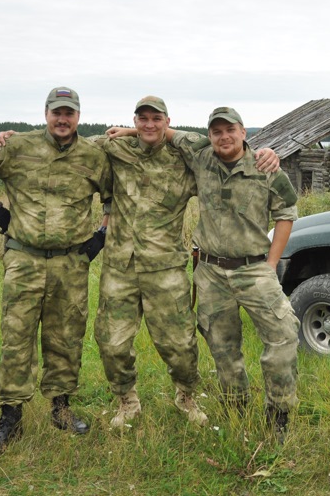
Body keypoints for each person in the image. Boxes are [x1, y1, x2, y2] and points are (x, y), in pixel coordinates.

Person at [0, 97, 279, 430]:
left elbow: (217, 144)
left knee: (180, 344)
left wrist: (263, 151)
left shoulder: (183, 159)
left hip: (166, 268)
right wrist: (12, 139)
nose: (149, 125)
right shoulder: (115, 149)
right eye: (141, 119)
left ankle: (186, 396)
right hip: (120, 268)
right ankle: (126, 400)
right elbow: (66, 141)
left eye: (156, 119)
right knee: (112, 342)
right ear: (134, 120)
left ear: (167, 122)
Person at [109, 106, 299, 440]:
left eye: (230, 130)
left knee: (283, 336)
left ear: (244, 132)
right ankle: (235, 409)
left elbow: (286, 213)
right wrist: (129, 131)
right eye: (217, 132)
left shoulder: (265, 167)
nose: (223, 137)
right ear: (209, 135)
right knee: (224, 349)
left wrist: (271, 264)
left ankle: (279, 411)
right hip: (210, 271)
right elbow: (165, 132)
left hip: (255, 269)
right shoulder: (200, 155)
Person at [0, 87, 112, 462]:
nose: (63, 119)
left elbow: (113, 195)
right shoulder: (16, 146)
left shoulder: (93, 155)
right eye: (56, 112)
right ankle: (10, 419)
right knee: (16, 337)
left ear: (78, 116)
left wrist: (101, 236)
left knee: (66, 336)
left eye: (69, 113)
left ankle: (61, 410)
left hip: (70, 264)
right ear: (45, 114)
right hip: (23, 260)